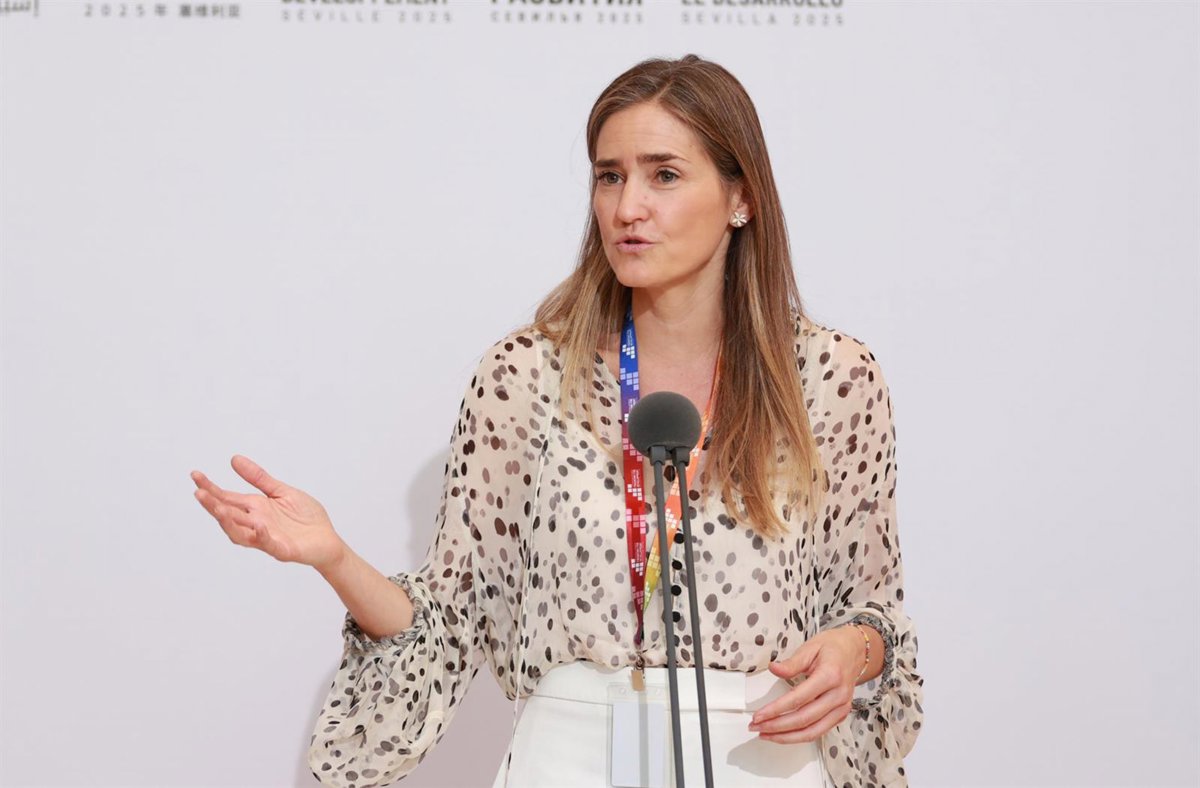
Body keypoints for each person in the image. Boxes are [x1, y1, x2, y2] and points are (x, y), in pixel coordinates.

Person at [190, 54, 923, 788]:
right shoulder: (525, 376)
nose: (628, 207)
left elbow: (874, 609)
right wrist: (334, 558)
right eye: (610, 176)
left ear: (742, 197)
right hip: (570, 760)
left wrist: (853, 651)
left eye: (664, 175)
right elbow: (450, 620)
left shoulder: (830, 379)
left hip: (758, 758)